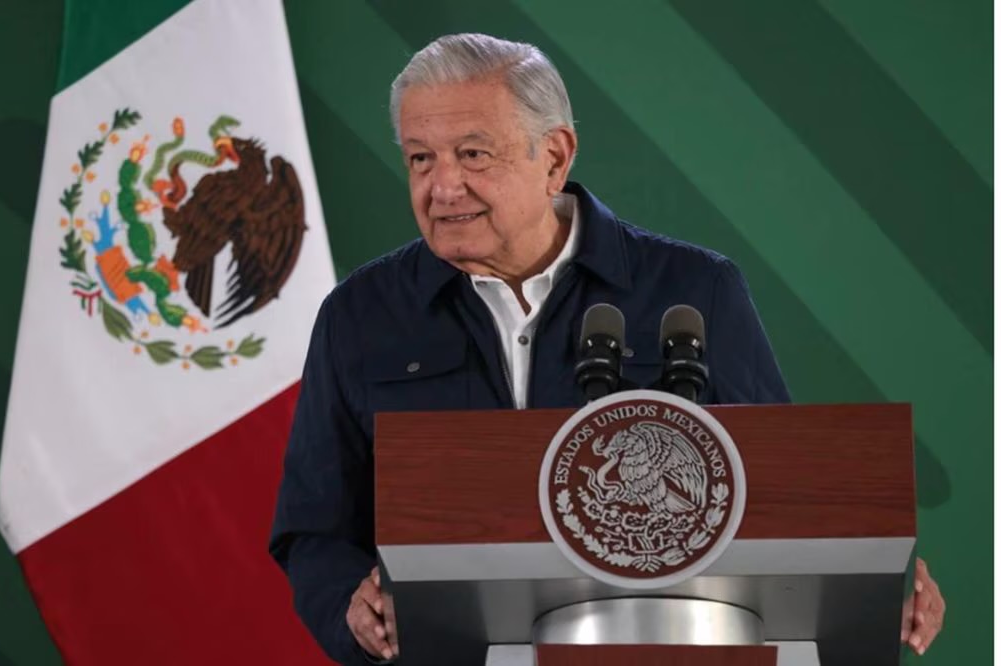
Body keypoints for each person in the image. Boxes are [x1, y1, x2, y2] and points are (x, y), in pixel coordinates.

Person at [269, 33, 944, 664]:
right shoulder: (359, 317)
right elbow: (315, 530)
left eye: (473, 155)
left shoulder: (695, 290)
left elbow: (784, 501)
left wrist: (879, 577)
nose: (442, 187)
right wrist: (352, 610)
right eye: (422, 158)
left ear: (554, 158)